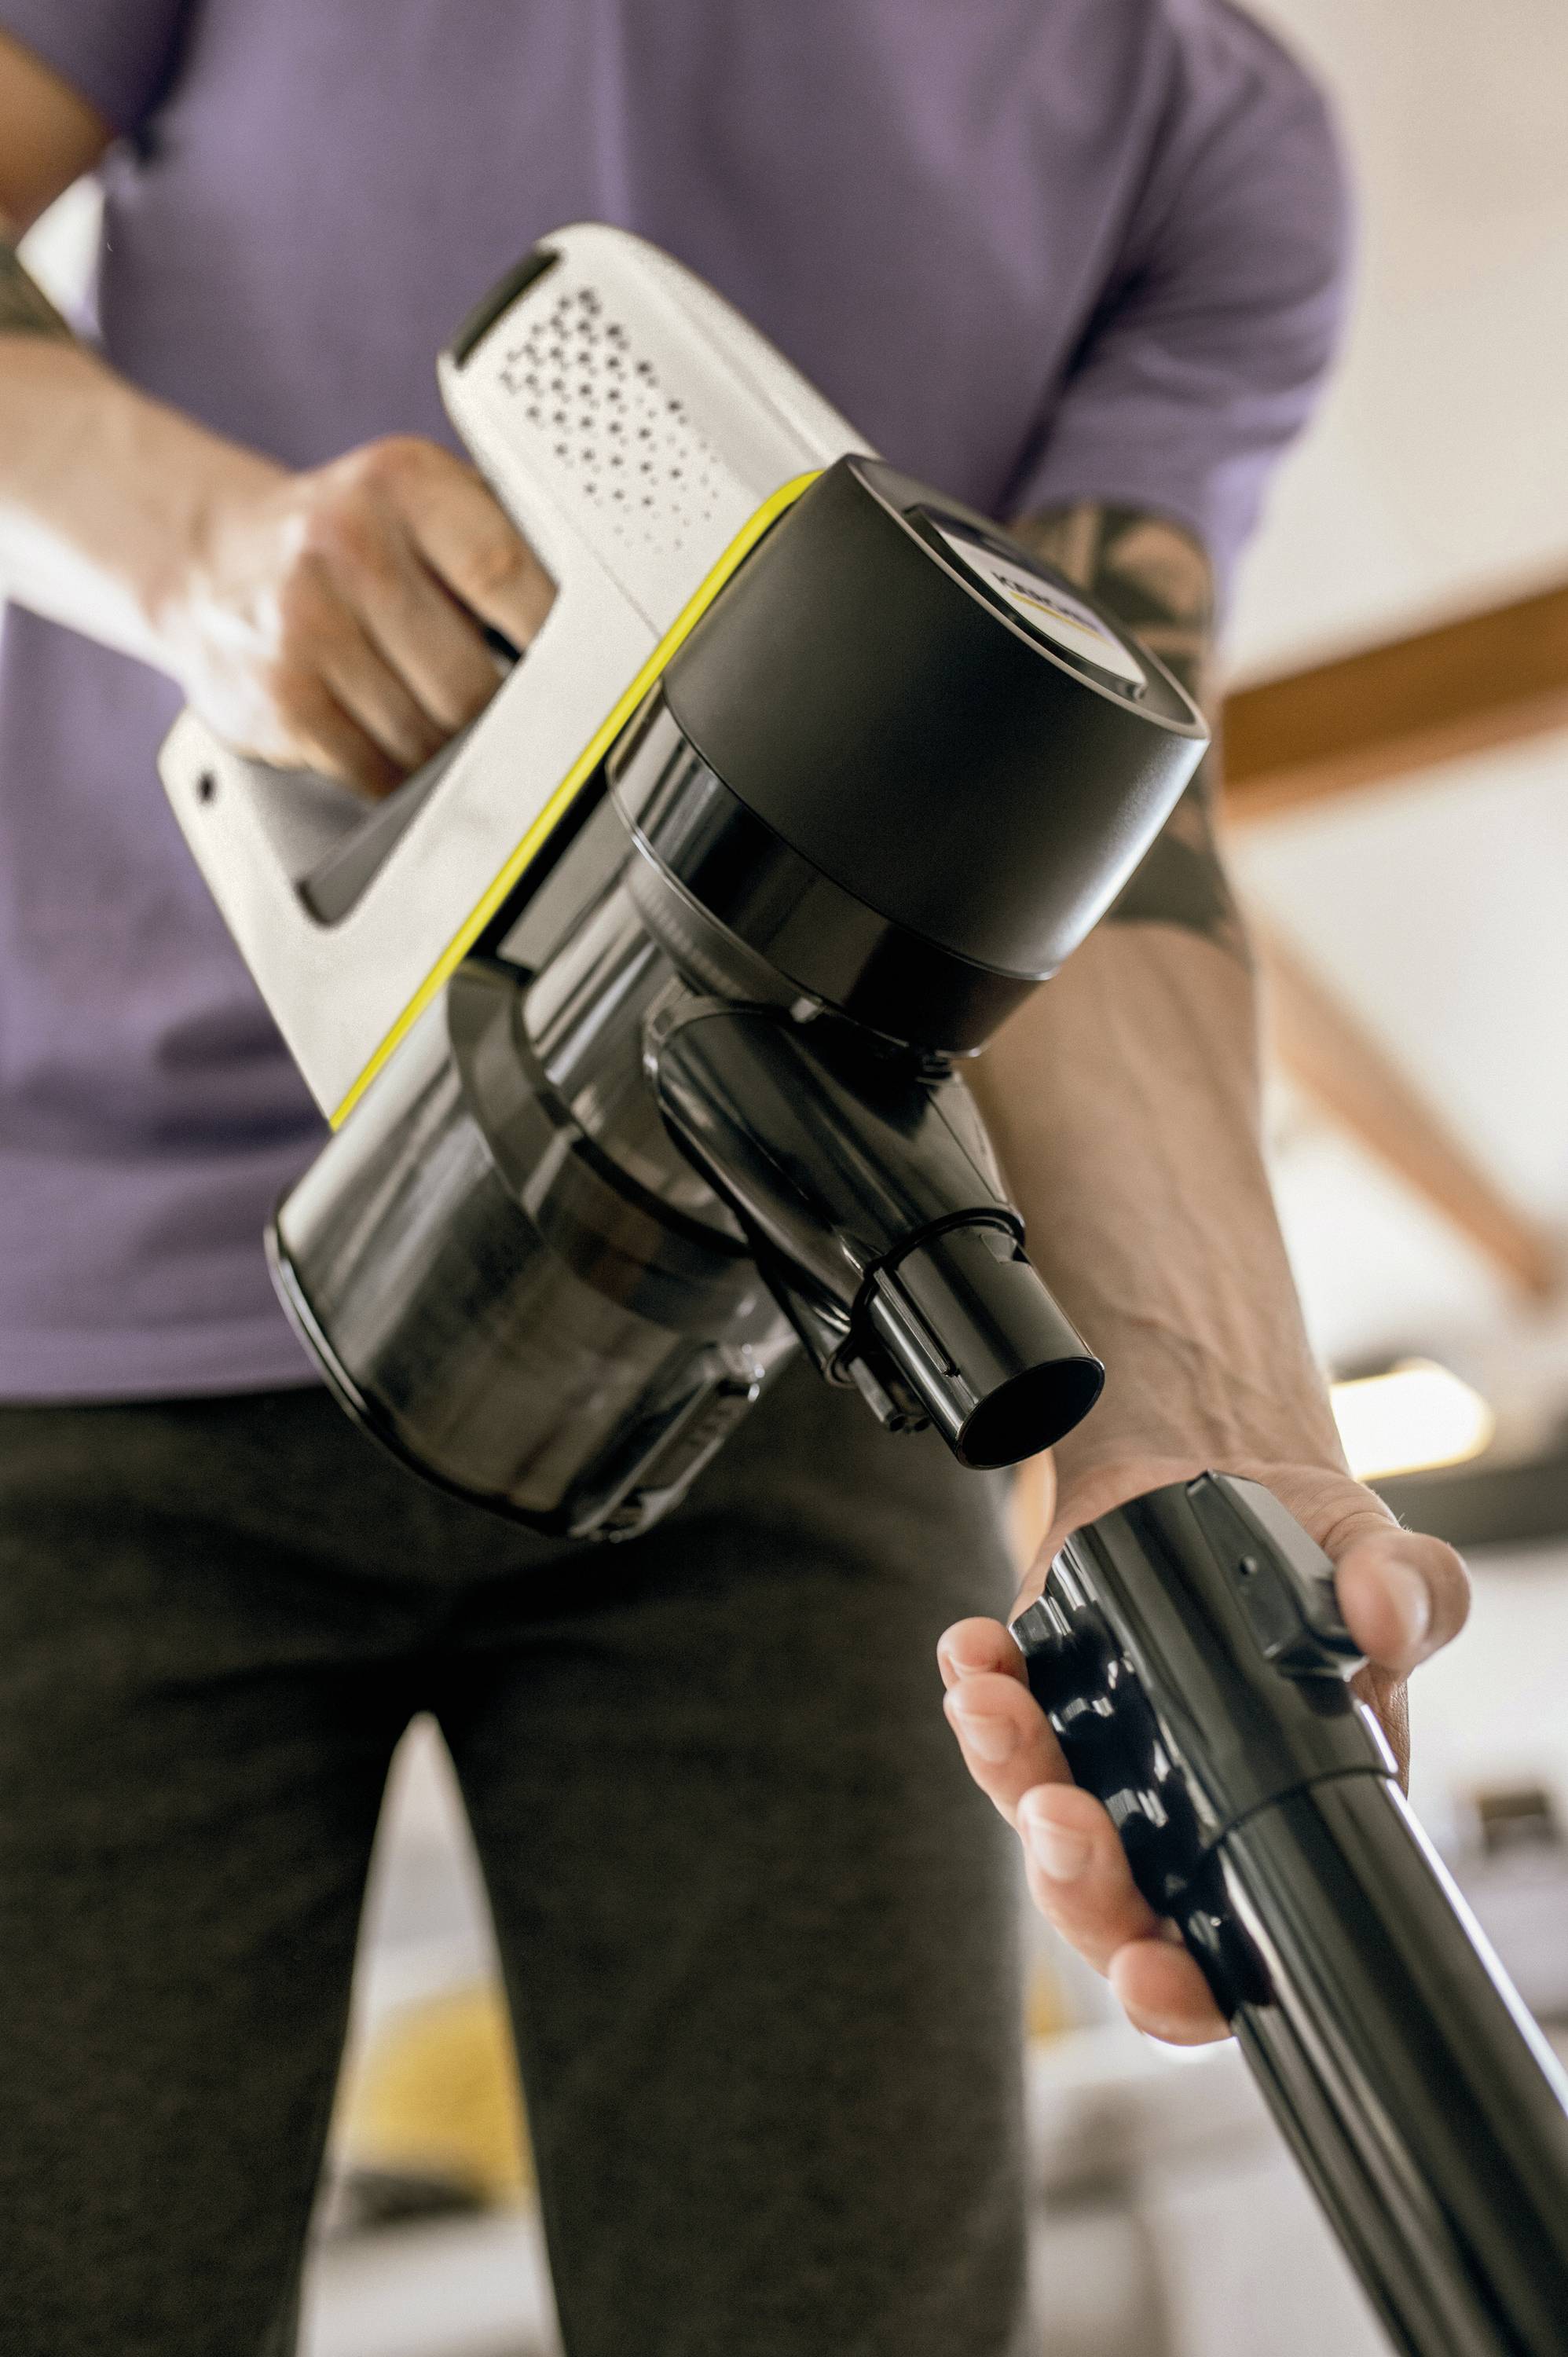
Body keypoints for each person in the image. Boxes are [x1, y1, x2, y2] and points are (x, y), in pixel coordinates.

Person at [0, 5, 1467, 2353]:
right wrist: (206, 552)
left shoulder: (1205, 145)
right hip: (60, 1336)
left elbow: (1092, 814)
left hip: (774, 1341)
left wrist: (1200, 1419)